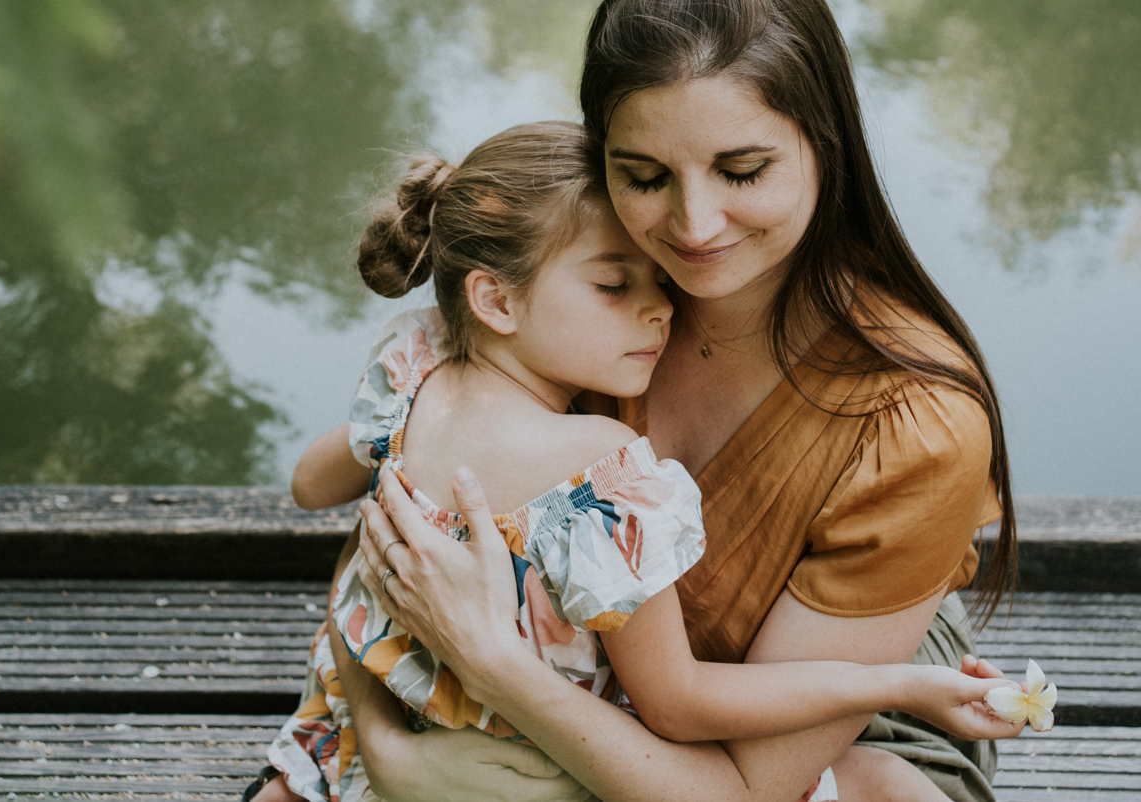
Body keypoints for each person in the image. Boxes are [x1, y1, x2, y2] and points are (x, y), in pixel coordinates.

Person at [341, 1, 1023, 802]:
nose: (694, 228)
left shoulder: (916, 428)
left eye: (742, 172)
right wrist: (386, 746)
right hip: (597, 716)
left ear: (825, 144)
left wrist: (497, 672)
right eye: (644, 176)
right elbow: (393, 520)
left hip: (829, 736)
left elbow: (742, 789)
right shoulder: (577, 294)